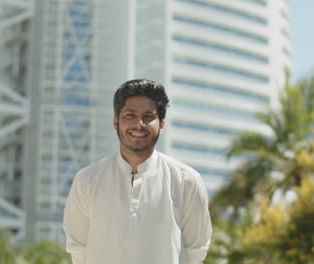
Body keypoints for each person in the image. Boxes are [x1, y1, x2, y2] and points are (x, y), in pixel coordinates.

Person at [63, 79, 212, 264]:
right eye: (130, 115)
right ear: (115, 122)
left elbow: (196, 250)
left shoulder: (186, 180)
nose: (139, 124)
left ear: (162, 125)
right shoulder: (87, 180)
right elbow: (78, 247)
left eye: (148, 116)